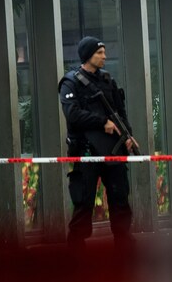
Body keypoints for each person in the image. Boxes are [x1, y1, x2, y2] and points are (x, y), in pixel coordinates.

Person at [58, 36, 138, 252]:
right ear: (87, 56)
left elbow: (120, 112)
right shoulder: (71, 82)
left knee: (120, 197)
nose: (104, 56)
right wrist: (102, 122)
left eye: (103, 52)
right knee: (83, 202)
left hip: (113, 148)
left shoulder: (107, 80)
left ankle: (123, 243)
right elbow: (72, 114)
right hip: (86, 150)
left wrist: (128, 135)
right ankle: (76, 247)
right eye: (99, 53)